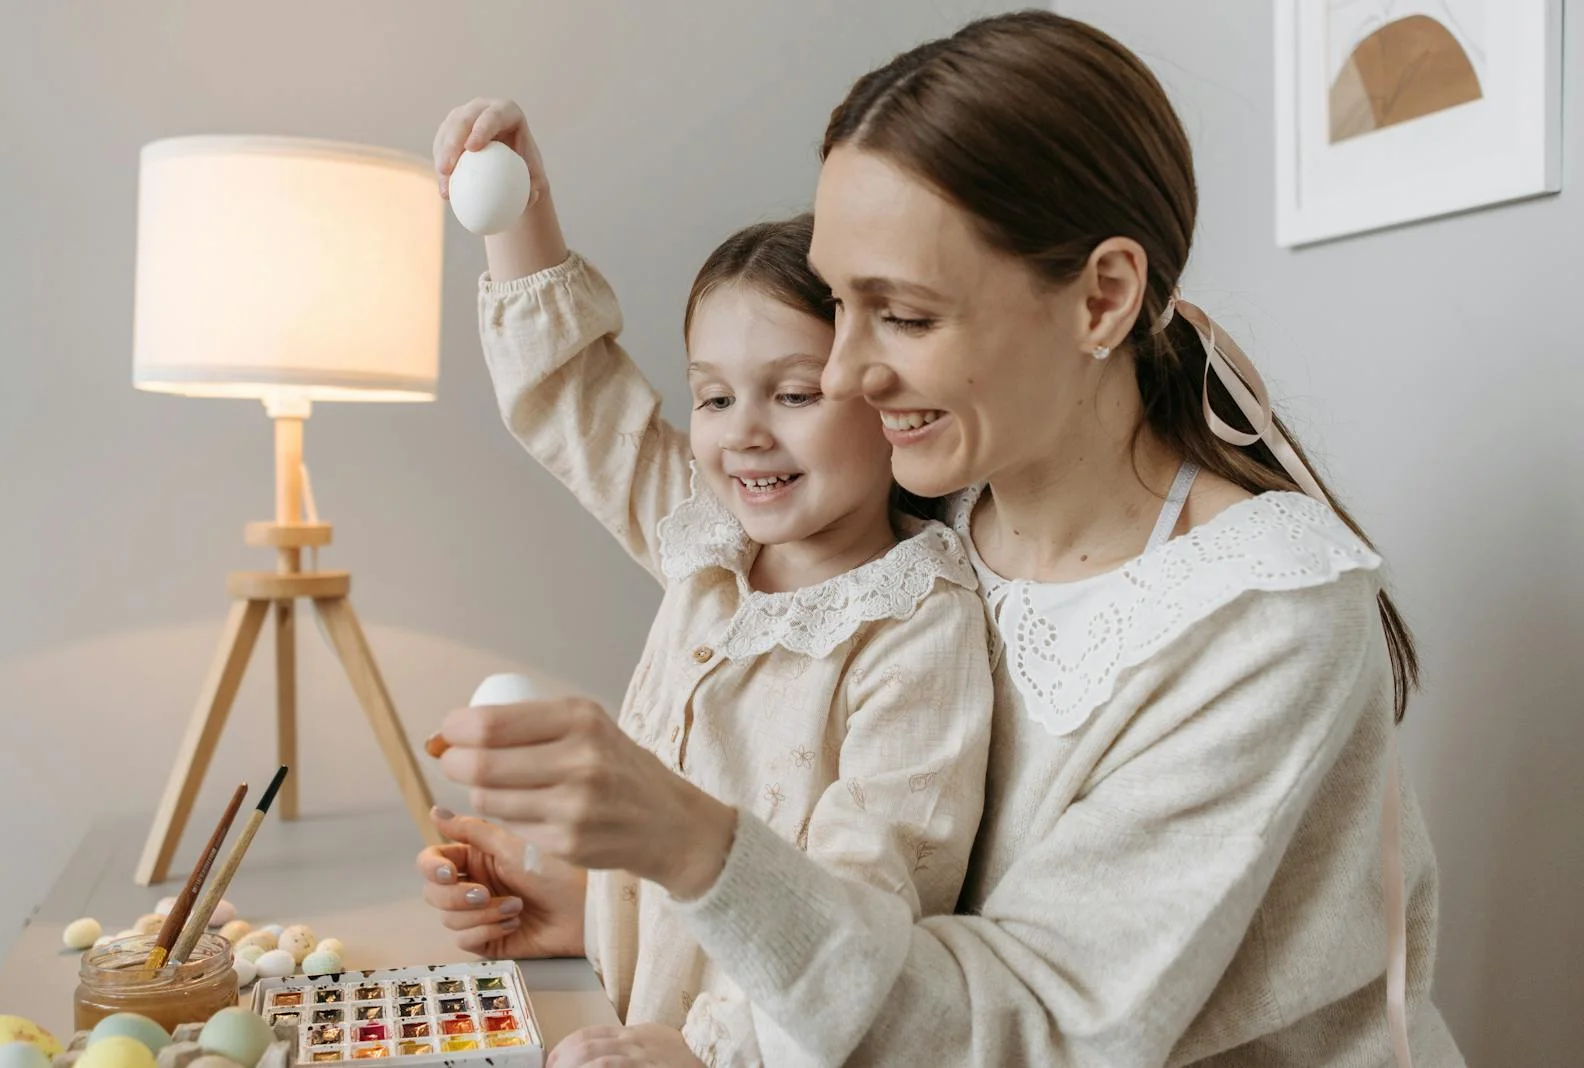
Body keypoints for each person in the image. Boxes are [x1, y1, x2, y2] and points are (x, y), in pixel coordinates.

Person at [419, 10, 1465, 1066]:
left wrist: (691, 852)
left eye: (904, 316)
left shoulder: (1261, 627)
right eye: (836, 302)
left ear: (1102, 296)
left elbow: (1035, 1027)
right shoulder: (915, 518)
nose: (838, 373)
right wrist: (627, 903)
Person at [421, 102, 993, 1066]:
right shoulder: (707, 544)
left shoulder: (917, 628)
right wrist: (592, 915)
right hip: (622, 1012)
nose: (744, 433)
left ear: (886, 396)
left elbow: (865, 901)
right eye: (715, 397)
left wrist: (708, 1052)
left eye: (796, 393)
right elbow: (578, 402)